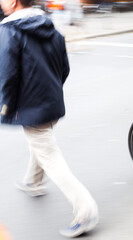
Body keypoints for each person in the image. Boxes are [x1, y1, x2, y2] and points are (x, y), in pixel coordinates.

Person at [0, 0, 98, 238]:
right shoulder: (50, 27)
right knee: (41, 144)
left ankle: (85, 211)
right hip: (51, 101)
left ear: (13, 2)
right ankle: (33, 181)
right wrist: (50, 91)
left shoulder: (10, 30)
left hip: (30, 104)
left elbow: (7, 74)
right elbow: (63, 68)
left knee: (49, 156)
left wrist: (5, 107)